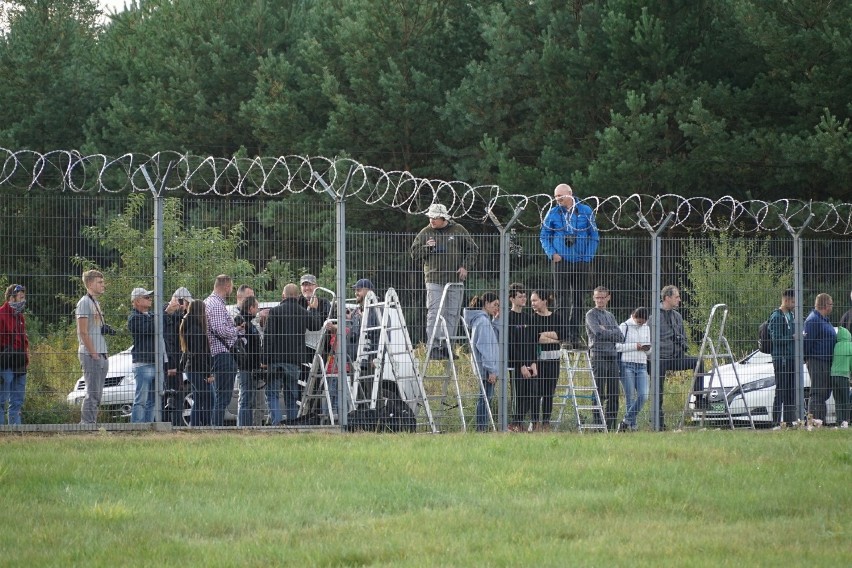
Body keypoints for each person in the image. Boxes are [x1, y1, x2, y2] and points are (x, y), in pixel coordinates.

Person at [410, 203, 478, 360]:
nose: (431, 221)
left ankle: (447, 346)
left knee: (452, 314)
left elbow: (473, 249)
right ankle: (433, 346)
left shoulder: (458, 230)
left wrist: (465, 267)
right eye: (430, 217)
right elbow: (414, 253)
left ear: (444, 218)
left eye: (435, 218)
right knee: (434, 313)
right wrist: (427, 248)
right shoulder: (425, 232)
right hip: (434, 279)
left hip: (455, 280)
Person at [539, 183, 599, 348]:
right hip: (561, 262)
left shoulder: (585, 211)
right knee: (562, 300)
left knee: (579, 300)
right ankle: (563, 335)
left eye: (560, 196)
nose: (557, 199)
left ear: (570, 194)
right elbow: (544, 236)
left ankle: (575, 336)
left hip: (581, 262)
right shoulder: (553, 213)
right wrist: (552, 254)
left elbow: (594, 236)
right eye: (555, 196)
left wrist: (587, 258)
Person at [263, 283, 324, 425]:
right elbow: (316, 325)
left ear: (283, 295)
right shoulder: (302, 312)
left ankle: (277, 424)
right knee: (291, 396)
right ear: (297, 297)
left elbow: (268, 337)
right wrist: (314, 309)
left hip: (276, 361)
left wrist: (264, 359)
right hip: (294, 362)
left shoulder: (275, 312)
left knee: (272, 393)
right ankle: (291, 427)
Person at [656, 285, 703, 431]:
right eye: (676, 297)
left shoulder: (677, 316)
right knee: (658, 391)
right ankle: (658, 423)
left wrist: (682, 346)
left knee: (698, 361)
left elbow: (683, 336)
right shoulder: (654, 315)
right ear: (667, 298)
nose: (679, 300)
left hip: (677, 356)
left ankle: (699, 399)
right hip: (660, 358)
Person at [204, 275, 243, 427]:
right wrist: (237, 329)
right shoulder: (217, 304)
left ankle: (215, 426)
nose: (232, 289)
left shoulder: (208, 302)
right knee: (223, 397)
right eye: (231, 286)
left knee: (219, 396)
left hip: (215, 353)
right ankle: (217, 428)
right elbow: (221, 330)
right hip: (222, 354)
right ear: (226, 286)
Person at [585, 286, 623, 431]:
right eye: (597, 298)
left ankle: (611, 425)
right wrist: (609, 331)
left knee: (614, 392)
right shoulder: (591, 315)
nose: (599, 300)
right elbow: (597, 333)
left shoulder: (610, 315)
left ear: (608, 297)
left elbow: (621, 336)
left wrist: (606, 330)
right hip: (598, 355)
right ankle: (598, 425)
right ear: (593, 298)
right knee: (599, 391)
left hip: (612, 356)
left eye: (602, 297)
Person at [75, 270, 110, 425]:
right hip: (91, 353)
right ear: (90, 284)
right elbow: (82, 331)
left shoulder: (96, 303)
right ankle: (86, 424)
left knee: (98, 393)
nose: (103, 285)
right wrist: (94, 353)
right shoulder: (84, 302)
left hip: (101, 352)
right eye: (99, 282)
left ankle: (92, 422)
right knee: (92, 392)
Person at [530, 289, 565, 432]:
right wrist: (553, 338)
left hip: (554, 360)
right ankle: (535, 422)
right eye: (531, 300)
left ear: (544, 300)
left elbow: (562, 334)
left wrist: (544, 334)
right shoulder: (532, 318)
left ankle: (546, 423)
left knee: (549, 393)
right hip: (538, 361)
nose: (532, 303)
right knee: (536, 392)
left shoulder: (557, 317)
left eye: (535, 300)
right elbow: (535, 337)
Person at [465, 293, 500, 432]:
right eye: (494, 304)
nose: (496, 308)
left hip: (484, 367)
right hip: (486, 369)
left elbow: (492, 339)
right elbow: (485, 347)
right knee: (485, 399)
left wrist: (496, 321)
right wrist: (491, 370)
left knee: (484, 397)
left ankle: (482, 427)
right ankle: (481, 428)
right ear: (486, 303)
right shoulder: (483, 322)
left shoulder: (482, 320)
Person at [507, 283, 537, 432]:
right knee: (518, 395)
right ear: (512, 298)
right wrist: (521, 365)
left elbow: (532, 341)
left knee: (531, 394)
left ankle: (518, 423)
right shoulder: (508, 317)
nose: (523, 299)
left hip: (529, 362)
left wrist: (533, 362)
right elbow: (511, 344)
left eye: (525, 296)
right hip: (516, 364)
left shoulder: (528, 317)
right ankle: (515, 424)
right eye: (520, 296)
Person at [615, 307, 651, 432]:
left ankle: (625, 421)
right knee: (629, 397)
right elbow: (617, 346)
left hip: (642, 364)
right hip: (626, 364)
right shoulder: (624, 326)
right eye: (639, 321)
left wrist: (647, 348)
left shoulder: (646, 327)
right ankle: (633, 426)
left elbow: (650, 349)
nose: (641, 324)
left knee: (644, 395)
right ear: (633, 316)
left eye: (643, 322)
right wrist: (635, 346)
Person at [179, 299, 214, 426]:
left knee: (199, 399)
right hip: (196, 369)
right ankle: (205, 425)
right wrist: (207, 374)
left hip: (193, 369)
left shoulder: (191, 327)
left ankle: (197, 426)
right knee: (209, 398)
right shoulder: (196, 330)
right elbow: (198, 354)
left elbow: (189, 353)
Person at [803, 293, 836, 423]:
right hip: (817, 360)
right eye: (831, 304)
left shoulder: (824, 319)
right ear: (825, 305)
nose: (832, 306)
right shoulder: (813, 320)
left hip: (825, 361)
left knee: (824, 392)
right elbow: (807, 343)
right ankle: (815, 420)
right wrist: (808, 360)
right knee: (817, 392)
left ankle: (820, 420)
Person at [0, 284, 30, 425]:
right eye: (21, 297)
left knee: (17, 400)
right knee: (2, 399)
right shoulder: (1, 314)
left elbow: (24, 339)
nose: (24, 301)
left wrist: (26, 358)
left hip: (20, 361)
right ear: (11, 297)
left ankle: (16, 431)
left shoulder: (20, 317)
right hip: (5, 362)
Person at [768, 288, 797, 428]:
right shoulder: (777, 317)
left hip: (791, 358)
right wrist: (792, 337)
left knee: (791, 390)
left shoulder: (791, 315)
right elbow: (776, 339)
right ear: (786, 300)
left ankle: (789, 421)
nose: (794, 304)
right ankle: (776, 422)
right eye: (793, 301)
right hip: (781, 359)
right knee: (781, 390)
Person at [128, 287, 157, 423]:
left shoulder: (150, 316)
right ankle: (137, 427)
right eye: (146, 297)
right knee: (141, 399)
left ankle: (148, 426)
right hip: (143, 363)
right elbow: (150, 329)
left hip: (154, 361)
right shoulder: (134, 318)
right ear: (137, 301)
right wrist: (163, 314)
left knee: (153, 399)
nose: (150, 299)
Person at [163, 286, 192, 426]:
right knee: (170, 397)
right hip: (170, 364)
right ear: (181, 302)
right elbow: (168, 342)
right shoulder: (168, 316)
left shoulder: (178, 317)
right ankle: (170, 425)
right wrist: (172, 365)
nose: (187, 308)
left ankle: (175, 425)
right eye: (187, 304)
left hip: (176, 364)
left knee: (176, 396)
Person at [234, 295, 263, 426]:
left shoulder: (248, 322)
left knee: (248, 399)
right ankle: (243, 428)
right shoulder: (241, 321)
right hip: (246, 366)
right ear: (251, 308)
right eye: (256, 307)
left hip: (250, 366)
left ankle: (247, 427)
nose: (257, 310)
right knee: (245, 399)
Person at [829, 326, 851, 428]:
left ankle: (839, 420)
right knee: (845, 399)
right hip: (843, 375)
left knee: (837, 399)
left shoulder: (836, 345)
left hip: (833, 375)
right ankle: (846, 421)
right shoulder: (850, 346)